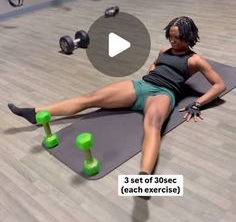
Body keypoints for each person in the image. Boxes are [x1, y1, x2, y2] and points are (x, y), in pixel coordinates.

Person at [8, 16, 225, 180]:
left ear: (187, 38)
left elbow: (219, 85)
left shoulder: (196, 60)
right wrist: (151, 70)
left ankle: (144, 176)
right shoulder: (164, 50)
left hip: (162, 94)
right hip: (141, 85)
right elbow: (156, 64)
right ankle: (34, 113)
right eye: (170, 36)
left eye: (176, 38)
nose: (171, 40)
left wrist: (198, 103)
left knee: (152, 126)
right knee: (90, 98)